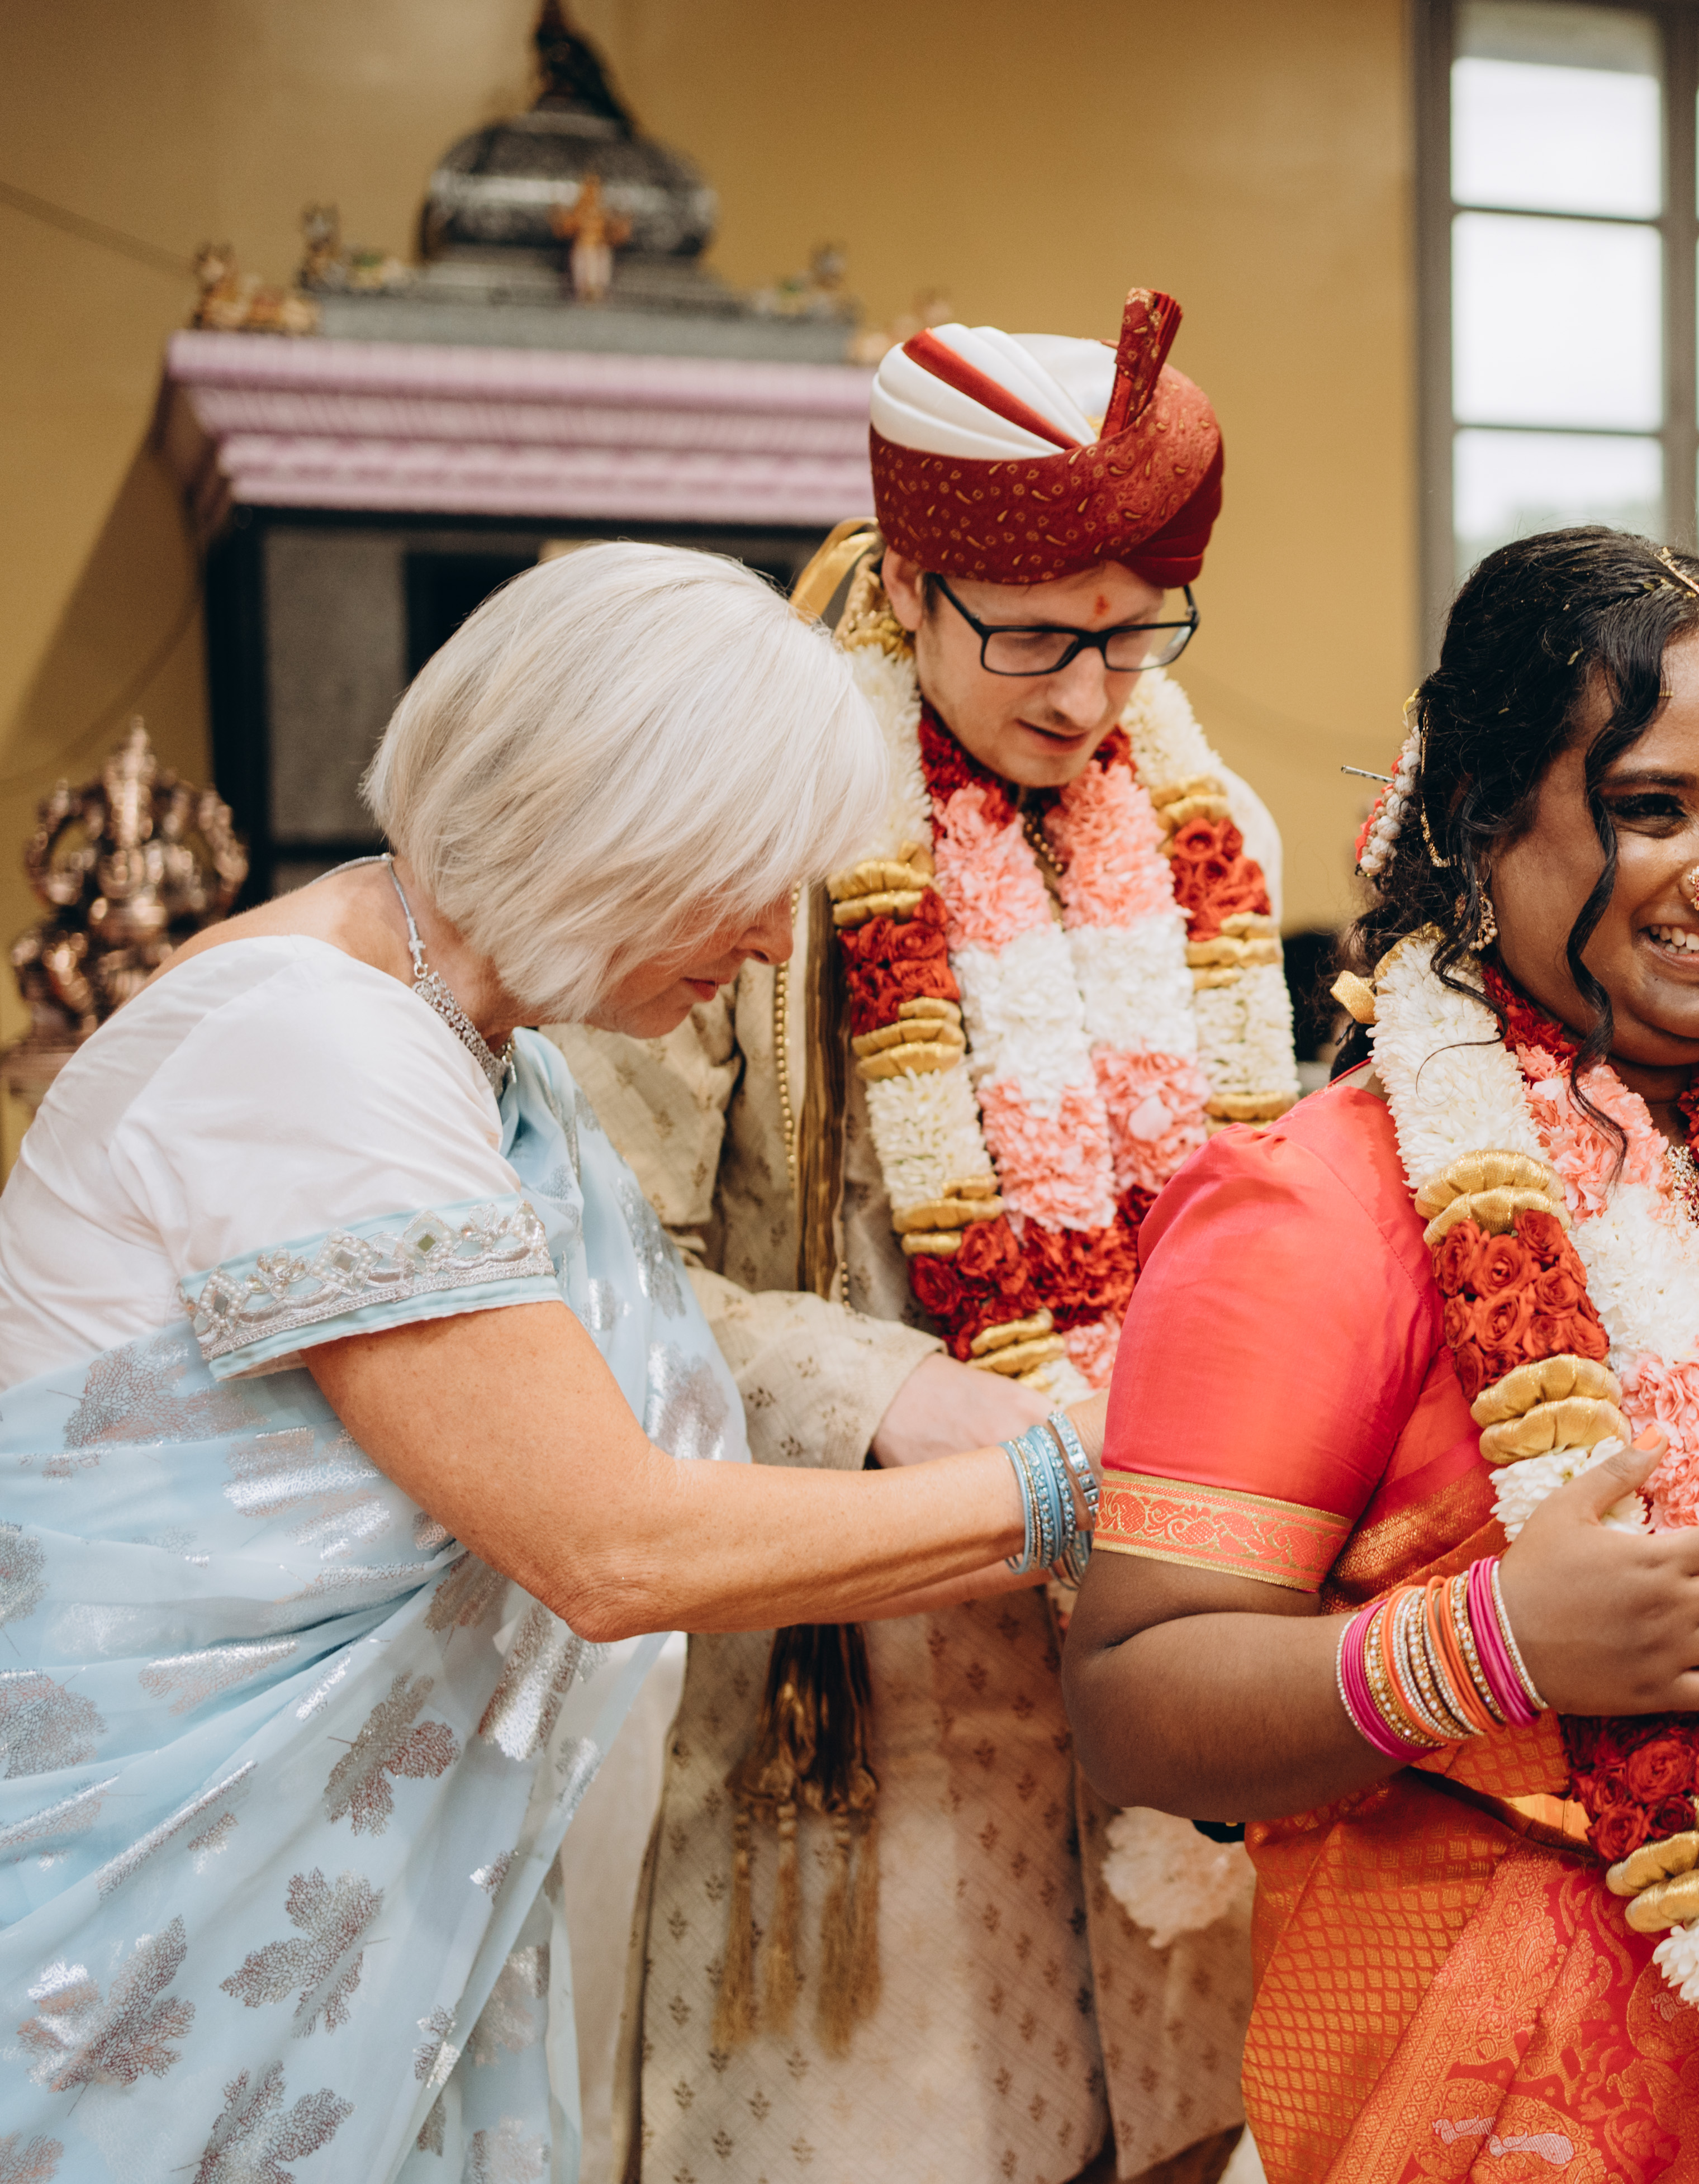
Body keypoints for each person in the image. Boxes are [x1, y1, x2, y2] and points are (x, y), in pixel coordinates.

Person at [0, 543, 1102, 2184]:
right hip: (153, 1935)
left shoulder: (477, 1050)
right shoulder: (315, 1047)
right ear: (607, 827)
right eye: (745, 881)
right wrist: (1072, 1484)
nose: (768, 940)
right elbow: (612, 1544)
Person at [1065, 528, 1699, 2182]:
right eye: (1649, 807)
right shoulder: (1324, 1208)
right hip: (1490, 2096)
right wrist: (1493, 1647)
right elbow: (1133, 1700)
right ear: (1480, 822)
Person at [553, 292, 1284, 2184]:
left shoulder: (1210, 831)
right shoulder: (751, 842)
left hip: (1157, 1680)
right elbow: (591, 1273)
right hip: (860, 1716)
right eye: (1034, 633)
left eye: (1138, 631)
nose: (1088, 694)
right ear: (902, 579)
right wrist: (881, 1388)